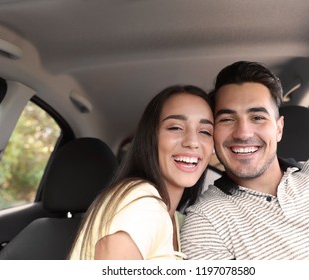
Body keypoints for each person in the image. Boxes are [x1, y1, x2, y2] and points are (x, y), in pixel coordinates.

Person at [180, 61, 309, 259]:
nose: (243, 133)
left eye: (257, 117)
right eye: (227, 119)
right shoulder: (206, 222)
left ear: (279, 128)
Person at [68, 85, 214, 260]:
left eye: (205, 132)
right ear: (151, 137)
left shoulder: (176, 219)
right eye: (175, 127)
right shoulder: (142, 203)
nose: (193, 142)